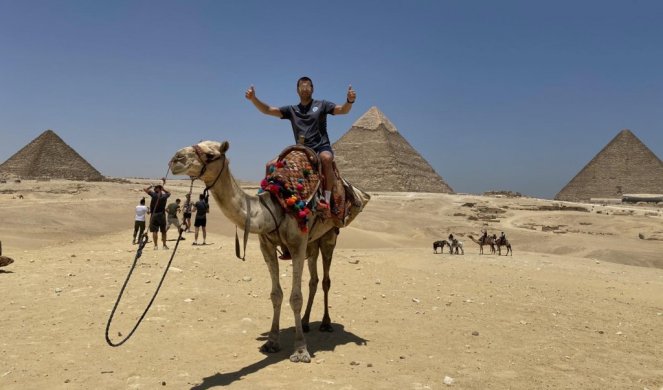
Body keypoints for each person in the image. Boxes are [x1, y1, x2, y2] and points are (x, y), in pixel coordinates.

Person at [245, 76, 356, 213]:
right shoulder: (292, 110)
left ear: (312, 89)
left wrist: (349, 101)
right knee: (270, 165)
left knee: (326, 158)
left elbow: (343, 110)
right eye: (301, 86)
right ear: (297, 90)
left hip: (321, 147)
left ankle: (326, 200)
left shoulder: (322, 105)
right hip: (301, 149)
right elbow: (268, 110)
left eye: (307, 86)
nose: (304, 88)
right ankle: (267, 201)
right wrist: (253, 99)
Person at [144, 182, 171, 250]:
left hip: (154, 215)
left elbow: (145, 189)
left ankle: (156, 246)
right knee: (163, 231)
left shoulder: (154, 195)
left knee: (155, 231)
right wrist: (163, 189)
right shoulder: (164, 196)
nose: (154, 189)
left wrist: (150, 186)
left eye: (155, 188)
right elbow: (169, 193)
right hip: (162, 215)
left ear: (157, 189)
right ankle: (164, 245)